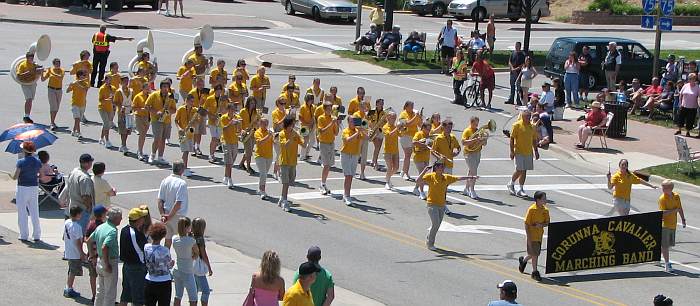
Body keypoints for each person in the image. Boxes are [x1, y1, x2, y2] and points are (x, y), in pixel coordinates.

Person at [417, 162, 474, 251]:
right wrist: (425, 170)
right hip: (432, 204)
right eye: (439, 167)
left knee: (437, 225)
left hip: (442, 205)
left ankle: (429, 236)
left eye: (442, 167)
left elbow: (458, 178)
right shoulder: (430, 176)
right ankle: (430, 243)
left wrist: (471, 177)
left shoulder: (446, 177)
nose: (441, 169)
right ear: (435, 168)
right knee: (435, 224)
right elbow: (418, 180)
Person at [87, 207, 122, 306]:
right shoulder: (112, 231)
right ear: (115, 219)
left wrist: (92, 256)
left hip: (99, 260)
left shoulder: (100, 227)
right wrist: (107, 264)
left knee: (100, 291)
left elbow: (89, 240)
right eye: (120, 217)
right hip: (109, 261)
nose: (121, 219)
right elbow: (104, 247)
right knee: (110, 293)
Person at [10, 141, 42, 242]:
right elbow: (40, 175)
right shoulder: (38, 161)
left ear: (24, 150)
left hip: (22, 188)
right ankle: (37, 235)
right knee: (34, 212)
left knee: (22, 212)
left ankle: (24, 235)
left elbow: (15, 176)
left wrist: (11, 176)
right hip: (34, 187)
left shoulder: (21, 162)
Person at [118, 207, 148, 306]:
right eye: (142, 218)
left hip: (126, 266)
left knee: (126, 295)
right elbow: (142, 251)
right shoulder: (136, 234)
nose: (144, 219)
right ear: (138, 220)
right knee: (138, 298)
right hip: (137, 269)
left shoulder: (124, 230)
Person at [518, 191, 549, 282]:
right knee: (535, 254)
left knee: (533, 254)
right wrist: (528, 237)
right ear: (537, 200)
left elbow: (547, 222)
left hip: (539, 235)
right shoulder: (532, 209)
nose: (545, 200)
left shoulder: (545, 210)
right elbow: (527, 223)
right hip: (531, 235)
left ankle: (523, 261)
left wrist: (542, 225)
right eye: (543, 199)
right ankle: (535, 272)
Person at [507, 110, 539, 197]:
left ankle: (520, 189)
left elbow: (534, 139)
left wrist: (536, 151)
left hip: (528, 152)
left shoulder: (532, 127)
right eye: (527, 117)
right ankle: (511, 183)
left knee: (524, 170)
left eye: (529, 117)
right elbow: (512, 138)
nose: (528, 118)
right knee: (519, 170)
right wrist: (511, 151)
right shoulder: (516, 125)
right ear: (523, 117)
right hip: (519, 151)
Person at [157, 161, 189, 249]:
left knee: (167, 241)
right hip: (178, 216)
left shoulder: (165, 181)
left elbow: (160, 200)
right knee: (181, 241)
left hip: (166, 215)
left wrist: (163, 215)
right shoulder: (181, 183)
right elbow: (178, 203)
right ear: (182, 170)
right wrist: (170, 216)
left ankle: (165, 260)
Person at [658, 179, 687, 273]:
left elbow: (680, 208)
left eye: (664, 187)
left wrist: (683, 219)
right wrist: (673, 211)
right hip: (664, 225)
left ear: (670, 188)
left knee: (667, 245)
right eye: (662, 186)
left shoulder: (676, 196)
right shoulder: (662, 198)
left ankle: (657, 256)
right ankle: (667, 264)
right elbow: (662, 213)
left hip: (673, 224)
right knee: (665, 245)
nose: (662, 188)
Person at [61, 153, 95, 232]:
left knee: (70, 234)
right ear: (85, 163)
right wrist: (89, 208)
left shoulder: (74, 172)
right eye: (90, 162)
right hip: (81, 211)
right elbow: (85, 196)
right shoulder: (85, 178)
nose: (91, 164)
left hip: (71, 208)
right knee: (80, 235)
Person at [146, 81, 177, 165]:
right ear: (161, 87)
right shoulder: (154, 95)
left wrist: (168, 111)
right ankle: (152, 155)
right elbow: (147, 106)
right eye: (164, 87)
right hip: (156, 120)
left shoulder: (170, 96)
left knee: (163, 139)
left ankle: (160, 157)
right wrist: (156, 112)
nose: (166, 89)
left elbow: (174, 109)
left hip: (166, 120)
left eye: (167, 87)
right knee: (157, 138)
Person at [144, 222, 174, 305]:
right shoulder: (165, 250)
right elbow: (168, 265)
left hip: (150, 279)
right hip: (164, 281)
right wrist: (172, 264)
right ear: (163, 236)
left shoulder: (146, 247)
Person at [278, 117, 304, 212]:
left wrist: (304, 135)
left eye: (294, 124)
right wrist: (292, 136)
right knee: (285, 182)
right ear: (287, 124)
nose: (293, 126)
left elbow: (303, 145)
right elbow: (285, 145)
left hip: (293, 161)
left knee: (289, 182)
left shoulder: (295, 133)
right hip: (284, 161)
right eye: (292, 124)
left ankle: (282, 198)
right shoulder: (282, 134)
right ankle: (284, 201)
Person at [172, 217, 198, 306]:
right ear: (187, 227)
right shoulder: (191, 241)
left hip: (177, 269)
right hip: (187, 271)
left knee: (178, 295)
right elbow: (196, 254)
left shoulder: (174, 239)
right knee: (193, 298)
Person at [84, 205, 107, 301]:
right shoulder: (103, 226)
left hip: (91, 254)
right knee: (103, 277)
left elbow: (86, 238)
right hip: (99, 256)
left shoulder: (90, 224)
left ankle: (94, 295)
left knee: (93, 276)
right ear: (102, 215)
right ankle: (103, 296)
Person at [63, 206, 86, 298]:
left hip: (69, 250)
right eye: (80, 213)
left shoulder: (67, 222)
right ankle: (69, 288)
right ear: (77, 215)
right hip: (74, 253)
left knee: (71, 270)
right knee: (73, 271)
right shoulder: (77, 227)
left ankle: (68, 286)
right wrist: (82, 253)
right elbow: (78, 242)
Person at [317, 101, 339, 196]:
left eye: (331, 109)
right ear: (325, 109)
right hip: (324, 143)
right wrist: (331, 124)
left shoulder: (332, 118)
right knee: (326, 165)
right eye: (329, 109)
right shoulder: (321, 118)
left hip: (331, 143)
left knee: (329, 165)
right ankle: (322, 184)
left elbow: (336, 133)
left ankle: (324, 183)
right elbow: (321, 131)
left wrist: (336, 123)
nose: (330, 111)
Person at [340, 115, 363, 206]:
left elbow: (368, 138)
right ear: (348, 122)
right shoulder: (345, 131)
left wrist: (363, 131)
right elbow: (348, 140)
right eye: (352, 121)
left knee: (351, 176)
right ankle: (346, 195)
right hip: (346, 154)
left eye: (355, 121)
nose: (354, 123)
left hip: (354, 155)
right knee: (348, 176)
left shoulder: (358, 131)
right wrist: (358, 133)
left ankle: (347, 194)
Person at [461, 116, 486, 199]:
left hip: (477, 153)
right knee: (474, 172)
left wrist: (483, 139)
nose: (476, 125)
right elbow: (464, 143)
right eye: (475, 124)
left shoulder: (479, 131)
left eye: (477, 123)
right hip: (469, 153)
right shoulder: (467, 131)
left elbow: (484, 144)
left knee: (471, 171)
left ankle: (466, 188)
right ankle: (472, 190)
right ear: (471, 123)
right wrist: (475, 140)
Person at [15, 52, 42, 122]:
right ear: (27, 58)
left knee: (30, 100)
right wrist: (28, 73)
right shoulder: (22, 65)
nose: (31, 59)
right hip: (25, 83)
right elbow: (18, 75)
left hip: (32, 83)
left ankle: (27, 115)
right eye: (30, 58)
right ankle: (26, 116)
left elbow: (39, 69)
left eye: (32, 58)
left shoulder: (34, 64)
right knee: (29, 99)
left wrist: (40, 69)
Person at [175, 94, 197, 177]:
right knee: (185, 151)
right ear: (186, 101)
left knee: (187, 151)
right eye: (191, 101)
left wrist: (194, 121)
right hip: (183, 133)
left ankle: (183, 167)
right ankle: (184, 168)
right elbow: (176, 120)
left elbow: (197, 121)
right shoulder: (181, 109)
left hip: (190, 133)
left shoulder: (194, 110)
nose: (192, 103)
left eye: (193, 101)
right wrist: (179, 128)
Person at [192, 218, 213, 306]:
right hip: (198, 266)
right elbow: (203, 255)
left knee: (195, 289)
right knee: (206, 291)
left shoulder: (191, 236)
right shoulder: (200, 239)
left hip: (192, 264)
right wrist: (209, 267)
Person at [220, 103, 241, 187]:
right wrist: (230, 123)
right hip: (226, 141)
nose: (233, 111)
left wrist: (238, 125)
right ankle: (230, 179)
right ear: (228, 110)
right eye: (231, 109)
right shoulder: (224, 117)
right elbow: (224, 128)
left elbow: (239, 130)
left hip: (234, 141)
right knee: (229, 161)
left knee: (231, 161)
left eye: (234, 109)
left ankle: (225, 176)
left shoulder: (237, 117)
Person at [399, 101, 421, 180]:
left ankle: (404, 170)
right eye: (411, 106)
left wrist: (419, 117)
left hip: (413, 136)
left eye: (413, 106)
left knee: (408, 155)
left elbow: (420, 125)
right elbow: (406, 124)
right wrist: (415, 117)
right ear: (406, 106)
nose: (412, 108)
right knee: (407, 155)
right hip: (405, 136)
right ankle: (405, 172)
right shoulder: (403, 114)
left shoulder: (414, 114)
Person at [41, 58, 64, 130]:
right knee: (53, 106)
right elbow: (43, 79)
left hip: (59, 90)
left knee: (57, 107)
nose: (58, 65)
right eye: (56, 64)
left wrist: (51, 71)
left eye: (59, 63)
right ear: (53, 64)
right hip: (51, 89)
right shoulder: (50, 70)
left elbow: (60, 77)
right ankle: (52, 122)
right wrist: (42, 72)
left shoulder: (61, 70)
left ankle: (53, 121)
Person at [67, 67, 89, 137]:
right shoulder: (74, 83)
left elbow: (85, 90)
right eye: (82, 75)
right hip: (75, 103)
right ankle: (78, 132)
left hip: (82, 103)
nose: (83, 77)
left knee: (78, 120)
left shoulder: (85, 83)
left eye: (84, 75)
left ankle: (73, 131)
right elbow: (67, 91)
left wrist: (78, 84)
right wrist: (70, 86)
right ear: (78, 76)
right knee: (77, 118)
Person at [255, 118, 274, 200]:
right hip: (260, 156)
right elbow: (260, 142)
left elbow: (275, 141)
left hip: (269, 155)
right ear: (260, 124)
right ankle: (262, 191)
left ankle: (260, 188)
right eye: (264, 123)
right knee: (263, 174)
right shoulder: (257, 132)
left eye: (267, 123)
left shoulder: (269, 132)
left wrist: (275, 136)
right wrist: (269, 136)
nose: (266, 125)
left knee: (264, 174)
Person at [131, 83, 151, 161]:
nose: (148, 89)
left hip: (147, 117)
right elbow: (133, 107)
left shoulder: (150, 96)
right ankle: (140, 151)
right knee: (142, 133)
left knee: (144, 134)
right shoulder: (138, 96)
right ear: (142, 89)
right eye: (146, 88)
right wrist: (141, 109)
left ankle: (140, 149)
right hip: (139, 116)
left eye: (148, 88)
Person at [412, 123, 432, 200]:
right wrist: (424, 145)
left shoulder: (429, 135)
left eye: (429, 129)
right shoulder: (419, 134)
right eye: (427, 129)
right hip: (418, 157)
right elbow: (414, 142)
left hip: (426, 157)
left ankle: (416, 188)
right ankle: (422, 192)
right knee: (422, 175)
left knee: (422, 175)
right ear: (423, 128)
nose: (428, 131)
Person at [675, 73, 699, 137]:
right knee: (681, 118)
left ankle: (688, 132)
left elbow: (699, 97)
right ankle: (679, 130)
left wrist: (698, 104)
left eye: (693, 78)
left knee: (690, 120)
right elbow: (681, 94)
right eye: (690, 79)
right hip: (684, 105)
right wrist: (680, 103)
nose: (692, 80)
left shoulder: (697, 87)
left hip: (693, 107)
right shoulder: (685, 85)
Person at [188, 78, 207, 156]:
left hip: (202, 113)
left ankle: (198, 147)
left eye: (202, 84)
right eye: (199, 84)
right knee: (194, 132)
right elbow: (189, 102)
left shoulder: (206, 92)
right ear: (196, 85)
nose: (201, 86)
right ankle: (192, 147)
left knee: (200, 132)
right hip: (194, 113)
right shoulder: (192, 92)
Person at [383, 111, 400, 190]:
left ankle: (387, 177)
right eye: (393, 117)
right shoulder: (385, 127)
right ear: (388, 118)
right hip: (387, 151)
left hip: (395, 150)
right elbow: (389, 134)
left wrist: (402, 129)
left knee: (396, 168)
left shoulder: (395, 126)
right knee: (390, 167)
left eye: (395, 118)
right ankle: (387, 181)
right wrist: (397, 128)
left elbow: (401, 134)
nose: (394, 119)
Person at [97, 75, 116, 148]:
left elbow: (114, 98)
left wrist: (114, 103)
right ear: (105, 80)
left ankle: (101, 138)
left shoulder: (113, 88)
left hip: (110, 108)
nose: (110, 81)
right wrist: (108, 99)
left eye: (111, 79)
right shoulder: (102, 88)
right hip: (102, 108)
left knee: (106, 124)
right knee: (107, 124)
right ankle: (107, 140)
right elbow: (100, 100)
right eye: (109, 79)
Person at [272, 97, 289, 179]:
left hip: (285, 135)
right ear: (278, 104)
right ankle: (275, 172)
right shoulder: (275, 112)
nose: (283, 105)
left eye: (285, 104)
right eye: (282, 104)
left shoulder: (286, 112)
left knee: (283, 155)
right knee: (279, 154)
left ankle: (280, 171)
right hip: (277, 135)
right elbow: (277, 124)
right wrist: (285, 116)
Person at [354, 101, 370, 180]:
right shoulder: (356, 114)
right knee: (356, 155)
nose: (365, 109)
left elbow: (368, 126)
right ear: (359, 107)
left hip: (365, 138)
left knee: (364, 156)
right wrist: (365, 134)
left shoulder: (367, 115)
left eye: (365, 107)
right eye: (363, 107)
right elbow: (358, 127)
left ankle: (362, 173)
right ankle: (353, 171)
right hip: (358, 138)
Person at [369, 98, 385, 170]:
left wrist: (380, 129)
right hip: (373, 131)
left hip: (380, 131)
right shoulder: (372, 111)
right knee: (377, 146)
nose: (381, 105)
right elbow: (366, 120)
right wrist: (371, 127)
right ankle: (375, 162)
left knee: (378, 147)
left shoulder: (384, 113)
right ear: (376, 104)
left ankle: (374, 160)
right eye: (380, 103)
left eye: (382, 103)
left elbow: (386, 123)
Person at [299, 94, 316, 161]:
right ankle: (302, 156)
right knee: (305, 141)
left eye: (312, 99)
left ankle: (306, 153)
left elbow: (313, 116)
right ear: (306, 100)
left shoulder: (313, 107)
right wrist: (306, 124)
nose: (311, 101)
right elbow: (300, 117)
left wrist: (312, 124)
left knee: (312, 141)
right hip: (304, 127)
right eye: (310, 99)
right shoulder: (303, 107)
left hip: (311, 126)